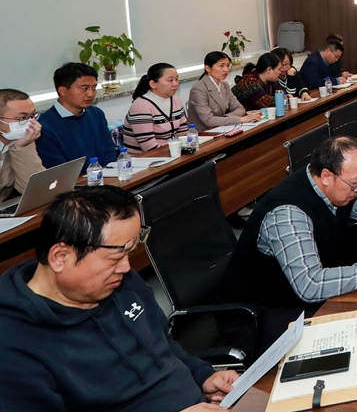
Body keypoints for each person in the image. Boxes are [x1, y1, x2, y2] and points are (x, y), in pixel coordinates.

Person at [0, 186, 238, 411]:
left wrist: (202, 375)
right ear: (61, 256)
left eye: (129, 251)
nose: (126, 267)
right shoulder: (14, 345)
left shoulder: (120, 283)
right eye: (115, 258)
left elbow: (162, 344)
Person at [219, 136, 357, 355]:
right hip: (260, 316)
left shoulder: (340, 187)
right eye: (355, 182)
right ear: (326, 176)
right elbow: (311, 285)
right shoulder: (288, 213)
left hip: (299, 297)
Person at [36, 63, 117, 168]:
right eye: (84, 88)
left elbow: (109, 150)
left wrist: (109, 170)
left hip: (106, 174)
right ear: (63, 91)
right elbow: (59, 168)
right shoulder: (45, 126)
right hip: (74, 178)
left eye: (93, 88)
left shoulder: (96, 114)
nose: (91, 94)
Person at [121, 63, 188, 153]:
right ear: (153, 84)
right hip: (146, 158)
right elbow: (149, 147)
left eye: (176, 79)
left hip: (173, 153)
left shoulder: (176, 100)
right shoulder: (141, 106)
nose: (175, 84)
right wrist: (177, 151)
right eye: (170, 80)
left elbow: (183, 133)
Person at [188, 51, 260, 131]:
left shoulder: (224, 85)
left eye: (228, 65)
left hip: (222, 129)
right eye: (221, 66)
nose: (226, 69)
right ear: (208, 68)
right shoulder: (198, 89)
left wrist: (224, 119)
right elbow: (208, 120)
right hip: (203, 134)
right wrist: (239, 119)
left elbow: (240, 108)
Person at [0, 89, 45, 196]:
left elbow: (36, 189)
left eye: (32, 116)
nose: (30, 123)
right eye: (22, 118)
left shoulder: (23, 141)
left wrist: (21, 147)